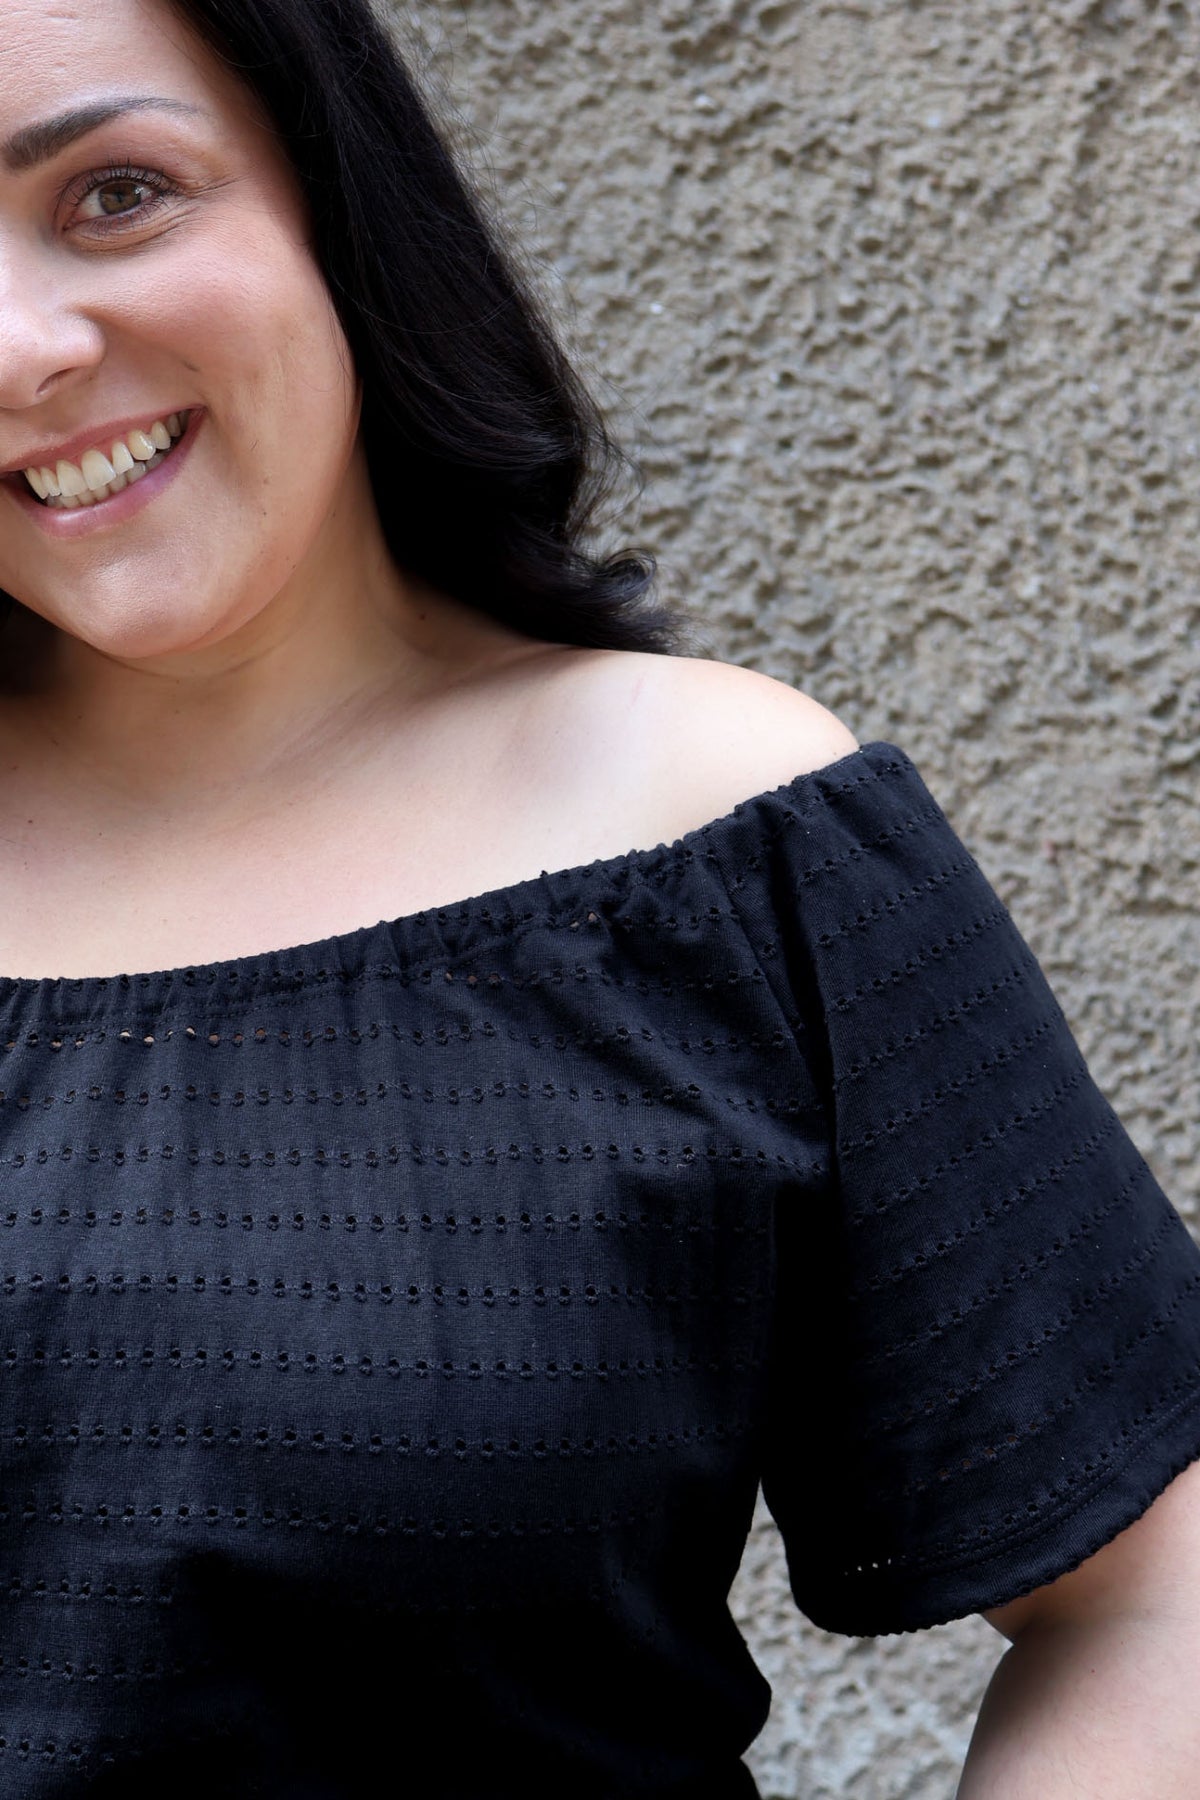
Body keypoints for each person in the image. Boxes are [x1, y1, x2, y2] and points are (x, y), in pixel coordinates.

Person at [0, 1, 1197, 1794]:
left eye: (116, 194)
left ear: (330, 191)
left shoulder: (717, 839)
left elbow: (1158, 1589)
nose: (21, 350)